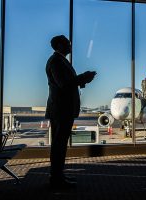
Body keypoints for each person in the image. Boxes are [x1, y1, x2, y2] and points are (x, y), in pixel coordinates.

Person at [45, 35, 96, 189]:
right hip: (61, 109)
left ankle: (58, 176)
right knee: (59, 145)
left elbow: (67, 83)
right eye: (68, 43)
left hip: (63, 109)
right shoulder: (56, 61)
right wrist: (84, 78)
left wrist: (83, 80)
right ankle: (56, 180)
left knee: (60, 145)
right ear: (60, 45)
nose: (70, 45)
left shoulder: (60, 60)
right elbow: (64, 84)